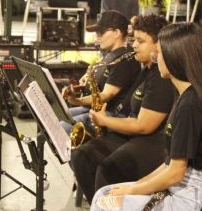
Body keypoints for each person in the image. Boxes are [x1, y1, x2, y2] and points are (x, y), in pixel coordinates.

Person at [90, 22, 202, 211]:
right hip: (189, 189)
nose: (156, 57)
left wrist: (133, 190)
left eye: (161, 52)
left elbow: (175, 173)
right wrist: (135, 186)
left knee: (103, 202)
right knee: (104, 193)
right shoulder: (190, 95)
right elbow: (169, 165)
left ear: (175, 57)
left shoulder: (190, 105)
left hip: (192, 199)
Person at [71, 15, 175, 204]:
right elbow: (128, 111)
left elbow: (145, 126)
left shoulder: (161, 77)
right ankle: (99, 204)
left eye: (140, 41)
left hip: (155, 143)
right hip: (137, 136)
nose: (134, 45)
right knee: (82, 156)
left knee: (107, 169)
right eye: (134, 39)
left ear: (159, 44)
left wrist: (104, 121)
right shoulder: (146, 70)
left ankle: (108, 204)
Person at [60, 10, 141, 136]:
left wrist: (78, 101)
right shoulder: (110, 54)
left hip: (112, 113)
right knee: (57, 117)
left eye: (101, 32)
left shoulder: (125, 59)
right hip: (99, 108)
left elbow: (107, 94)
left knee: (62, 127)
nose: (97, 37)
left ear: (117, 33)